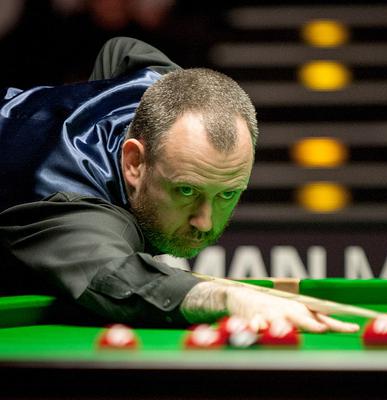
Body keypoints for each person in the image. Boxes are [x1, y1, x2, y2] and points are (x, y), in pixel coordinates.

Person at [0, 37, 360, 333]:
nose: (205, 221)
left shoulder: (158, 87)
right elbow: (115, 276)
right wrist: (228, 298)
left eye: (227, 194)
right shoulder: (69, 203)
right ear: (134, 163)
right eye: (186, 191)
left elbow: (122, 49)